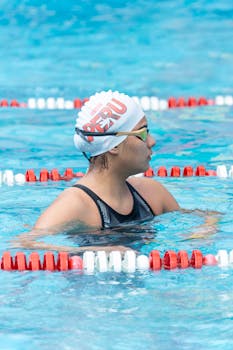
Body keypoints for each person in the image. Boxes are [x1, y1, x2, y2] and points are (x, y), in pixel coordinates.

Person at [14, 90, 219, 253]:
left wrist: (204, 230)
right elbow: (24, 244)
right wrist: (93, 253)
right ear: (113, 145)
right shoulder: (75, 205)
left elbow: (206, 216)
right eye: (142, 133)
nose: (152, 141)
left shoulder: (152, 193)